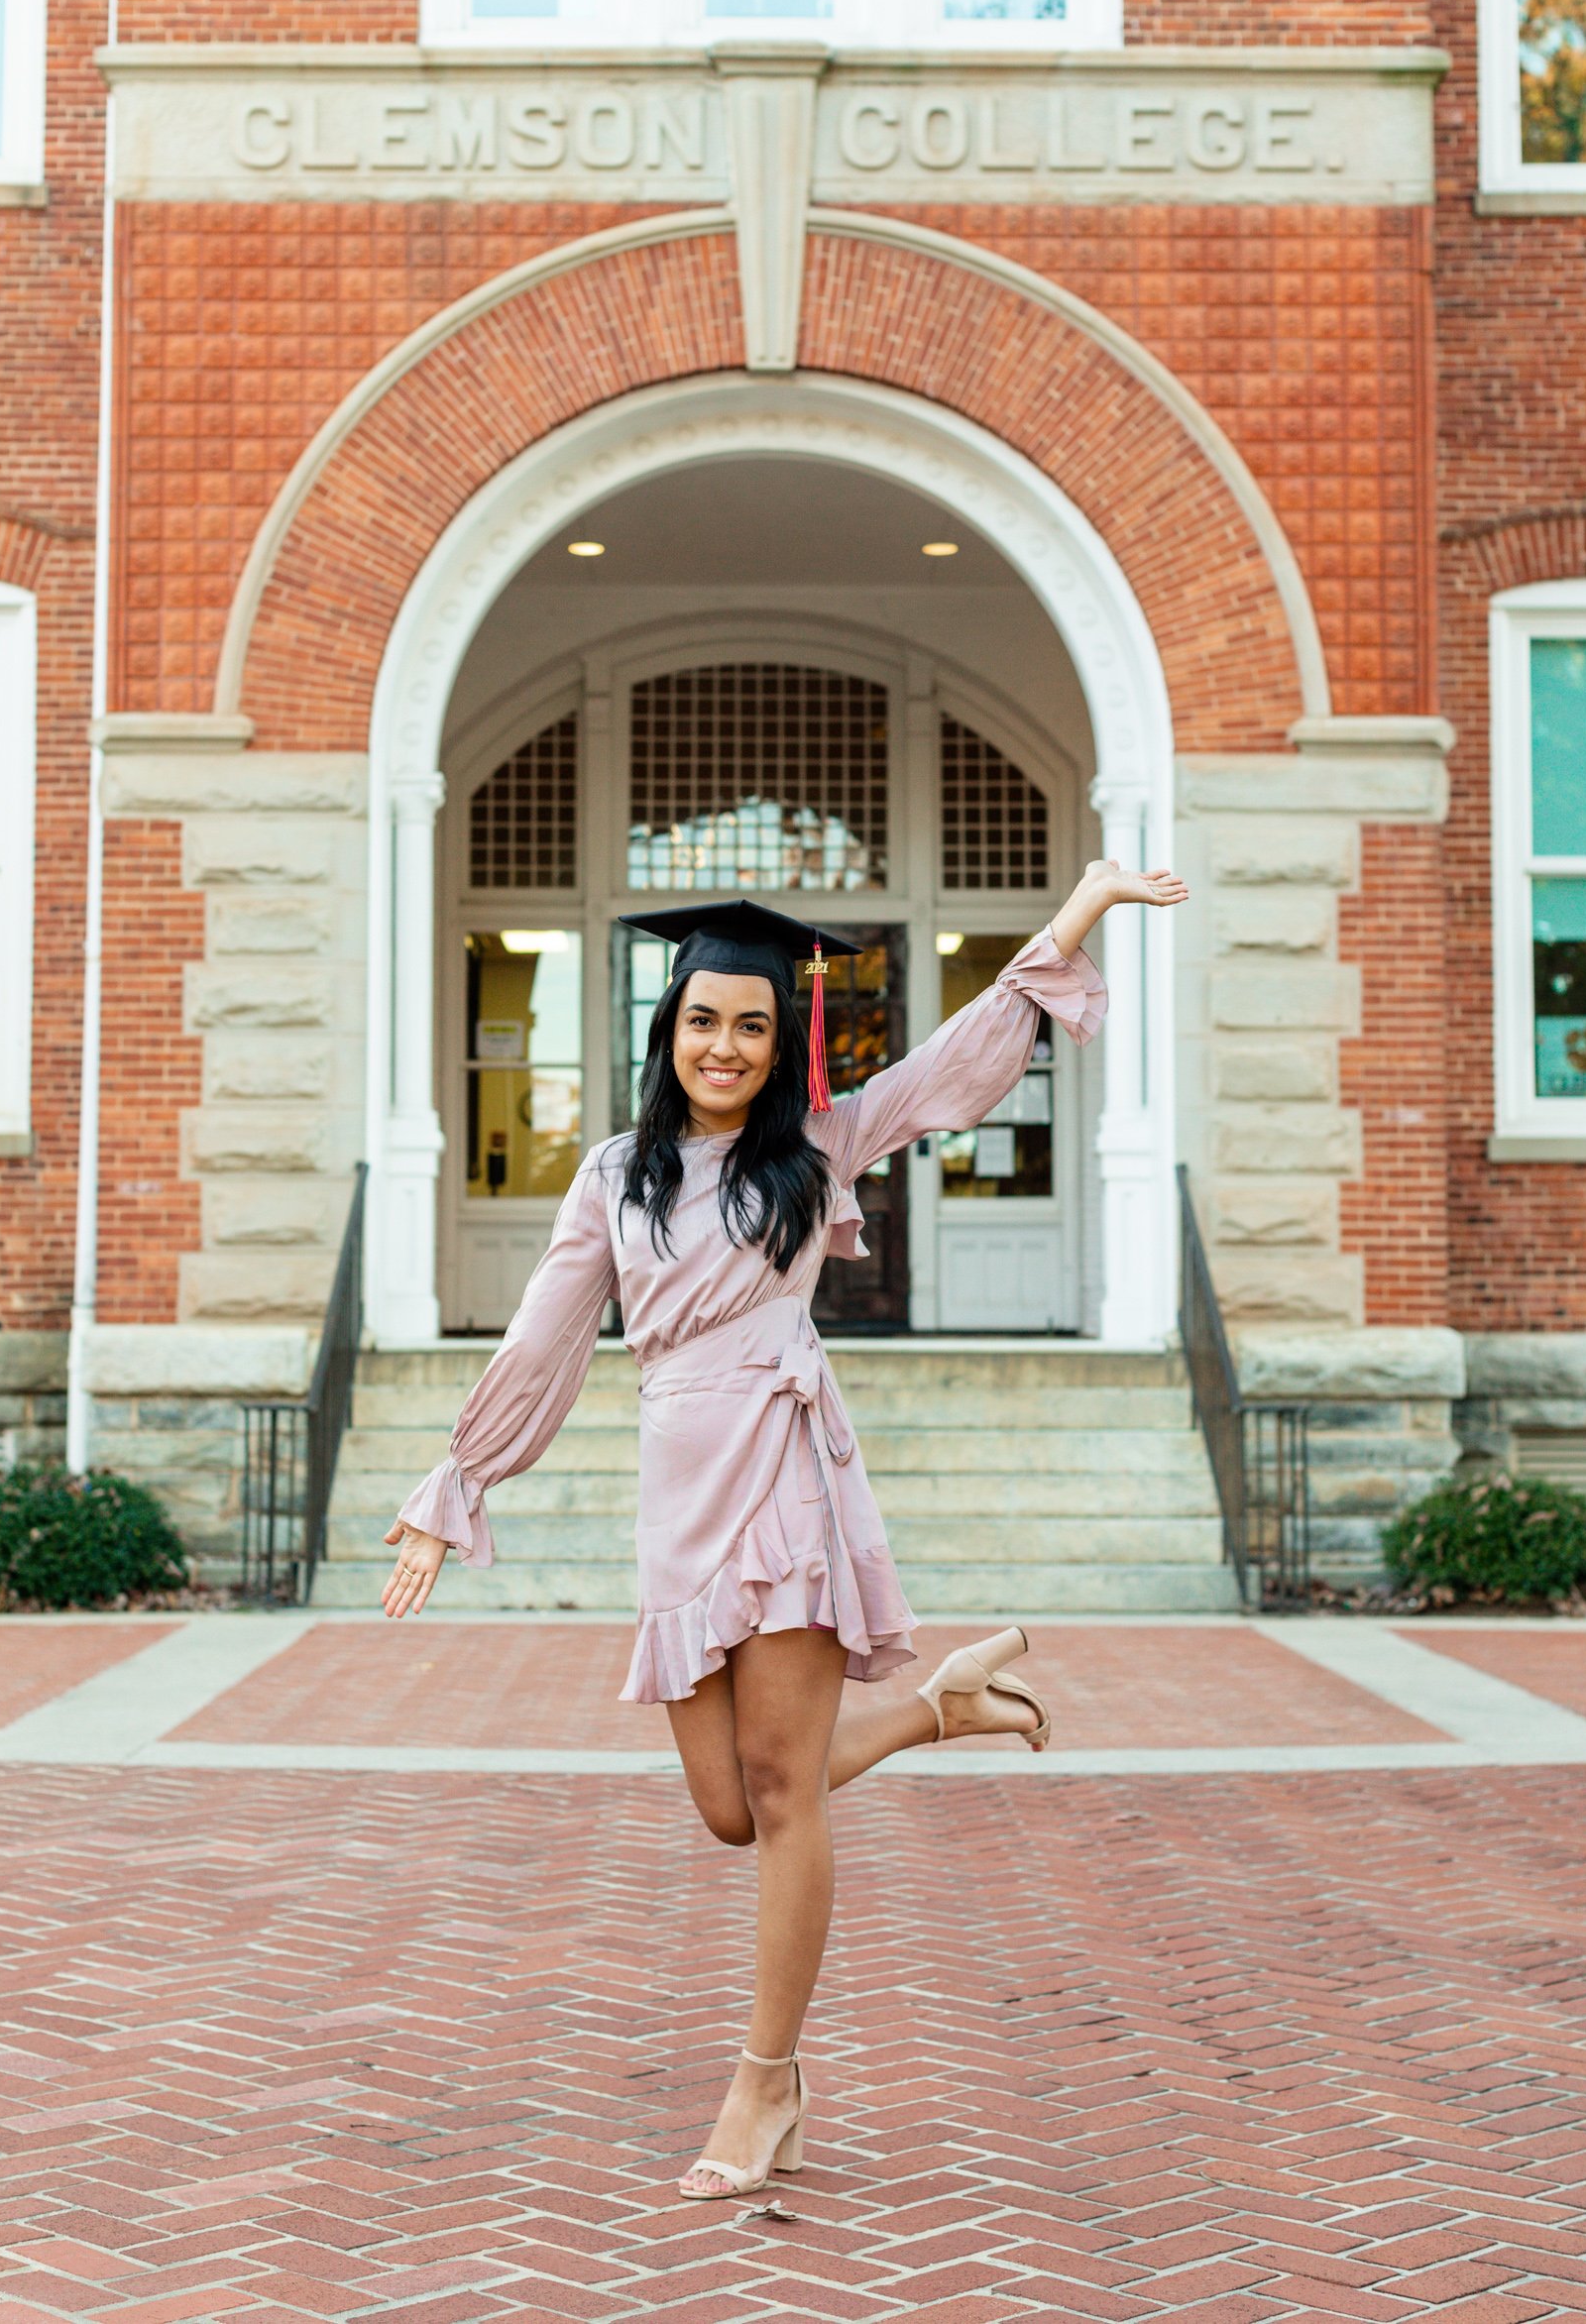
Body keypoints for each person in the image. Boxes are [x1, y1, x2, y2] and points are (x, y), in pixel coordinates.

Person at [382, 858, 1187, 2199]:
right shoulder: (611, 1178)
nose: (728, 1046)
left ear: (779, 1040)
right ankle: (937, 1707)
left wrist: (1080, 911)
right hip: (675, 1493)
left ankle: (765, 2086)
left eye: (754, 1025)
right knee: (729, 1807)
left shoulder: (816, 1148)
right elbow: (546, 1340)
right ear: (669, 1028)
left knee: (780, 1786)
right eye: (706, 1020)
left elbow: (950, 1067)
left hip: (787, 1472)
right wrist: (458, 1484)